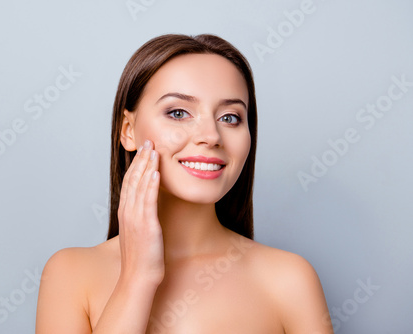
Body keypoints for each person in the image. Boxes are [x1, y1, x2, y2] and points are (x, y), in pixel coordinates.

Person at [35, 34, 333, 333]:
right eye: (178, 113)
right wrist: (137, 279)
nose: (211, 135)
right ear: (128, 130)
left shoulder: (290, 279)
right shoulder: (70, 274)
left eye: (230, 117)